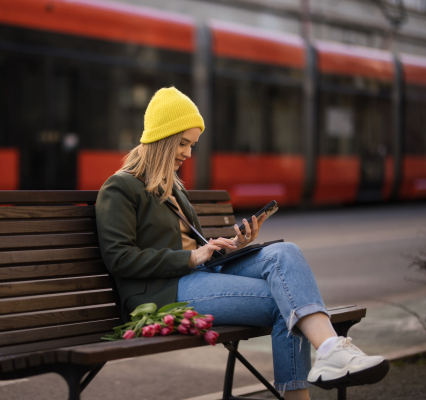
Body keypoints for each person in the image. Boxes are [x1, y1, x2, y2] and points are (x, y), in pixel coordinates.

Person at [96, 87, 389, 400]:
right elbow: (120, 258)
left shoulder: (173, 188)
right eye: (183, 143)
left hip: (197, 275)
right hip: (161, 292)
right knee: (285, 302)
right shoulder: (121, 187)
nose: (188, 153)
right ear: (162, 138)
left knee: (285, 252)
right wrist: (193, 259)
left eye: (192, 145)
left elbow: (185, 245)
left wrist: (231, 245)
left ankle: (331, 351)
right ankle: (328, 359)